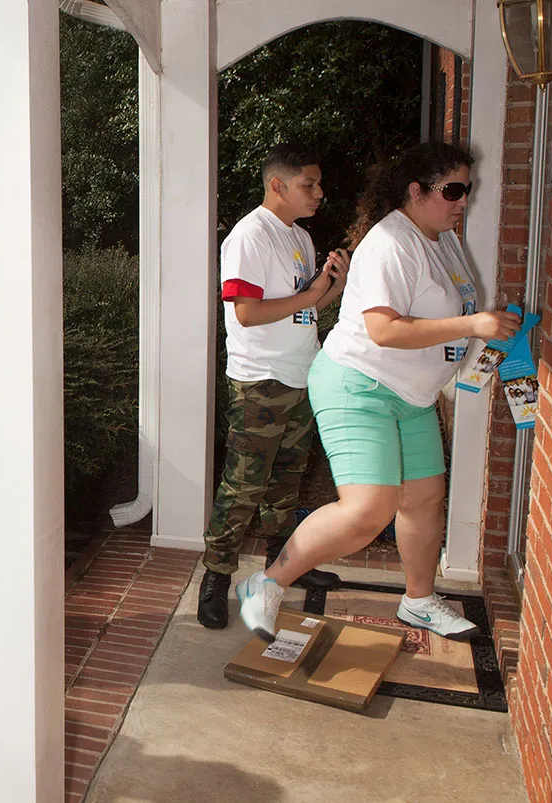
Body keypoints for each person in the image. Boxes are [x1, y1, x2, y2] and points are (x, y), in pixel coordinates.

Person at [237, 142, 521, 642]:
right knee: (368, 510)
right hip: (358, 384)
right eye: (452, 190)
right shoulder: (391, 242)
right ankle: (266, 584)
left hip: (410, 393)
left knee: (425, 499)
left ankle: (419, 602)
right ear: (416, 191)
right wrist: (474, 323)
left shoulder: (441, 239)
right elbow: (384, 330)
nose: (462, 201)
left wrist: (482, 331)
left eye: (466, 191)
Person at [197, 144, 350, 630]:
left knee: (285, 484)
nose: (319, 193)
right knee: (243, 487)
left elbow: (306, 310)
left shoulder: (300, 237)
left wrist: (334, 287)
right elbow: (246, 311)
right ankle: (216, 578)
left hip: (300, 374)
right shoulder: (250, 236)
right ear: (277, 185)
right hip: (259, 380)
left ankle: (280, 570)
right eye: (309, 184)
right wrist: (309, 293)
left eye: (319, 184)